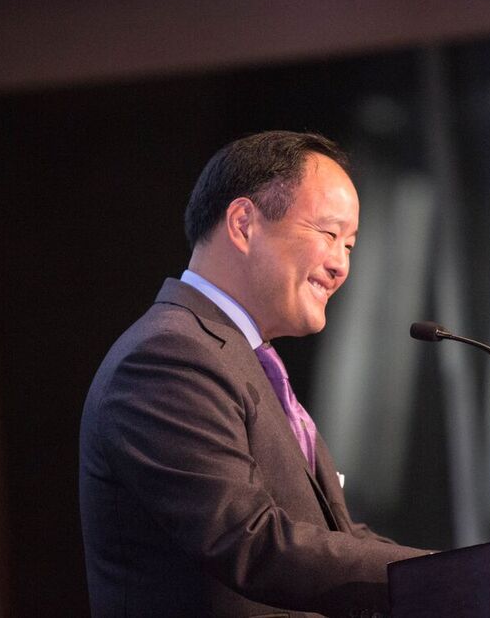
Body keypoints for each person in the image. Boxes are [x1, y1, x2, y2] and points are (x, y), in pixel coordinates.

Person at [79, 131, 430, 617]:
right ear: (244, 223)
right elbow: (250, 540)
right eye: (329, 234)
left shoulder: (239, 357)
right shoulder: (167, 357)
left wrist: (449, 573)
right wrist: (443, 580)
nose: (341, 265)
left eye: (350, 245)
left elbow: (337, 538)